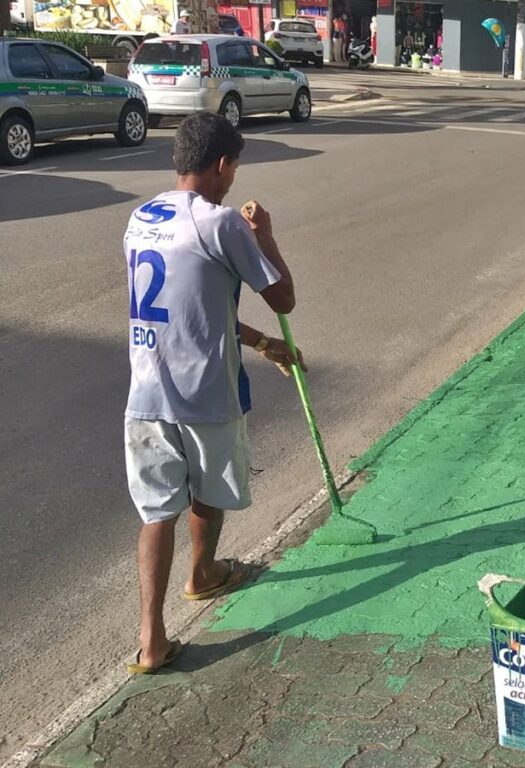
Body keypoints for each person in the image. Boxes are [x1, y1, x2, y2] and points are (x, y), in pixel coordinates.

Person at [121, 113, 304, 674]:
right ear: (222, 164)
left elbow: (192, 307)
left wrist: (259, 343)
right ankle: (201, 575)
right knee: (208, 493)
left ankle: (151, 641)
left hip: (145, 392)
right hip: (203, 393)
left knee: (156, 512)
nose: (232, 182)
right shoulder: (220, 222)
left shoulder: (141, 216)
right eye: (234, 170)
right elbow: (283, 297)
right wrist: (264, 235)